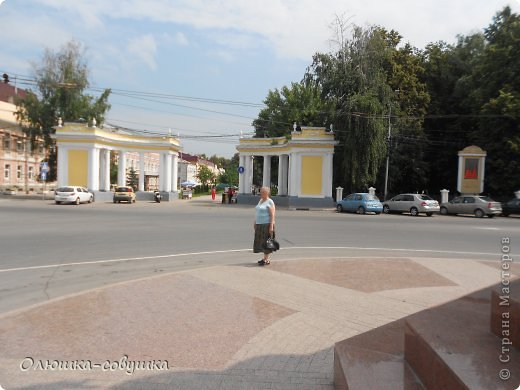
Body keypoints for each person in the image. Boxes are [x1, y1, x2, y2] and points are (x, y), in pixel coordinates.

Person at [253, 186, 276, 265]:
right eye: (261, 191)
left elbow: (272, 215)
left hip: (266, 224)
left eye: (263, 192)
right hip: (259, 224)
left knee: (266, 243)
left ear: (267, 193)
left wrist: (271, 226)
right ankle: (265, 259)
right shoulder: (260, 200)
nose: (261, 193)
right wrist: (255, 222)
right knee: (261, 242)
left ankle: (265, 259)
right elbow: (258, 212)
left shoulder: (270, 202)